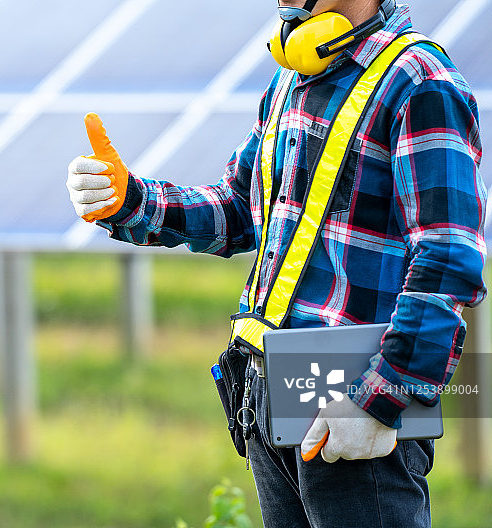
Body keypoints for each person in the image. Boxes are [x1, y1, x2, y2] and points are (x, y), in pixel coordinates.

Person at [65, 1, 487, 527]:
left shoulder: (421, 84)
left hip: (354, 404)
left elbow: (447, 259)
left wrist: (385, 396)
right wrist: (131, 201)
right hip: (272, 396)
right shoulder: (293, 77)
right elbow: (244, 208)